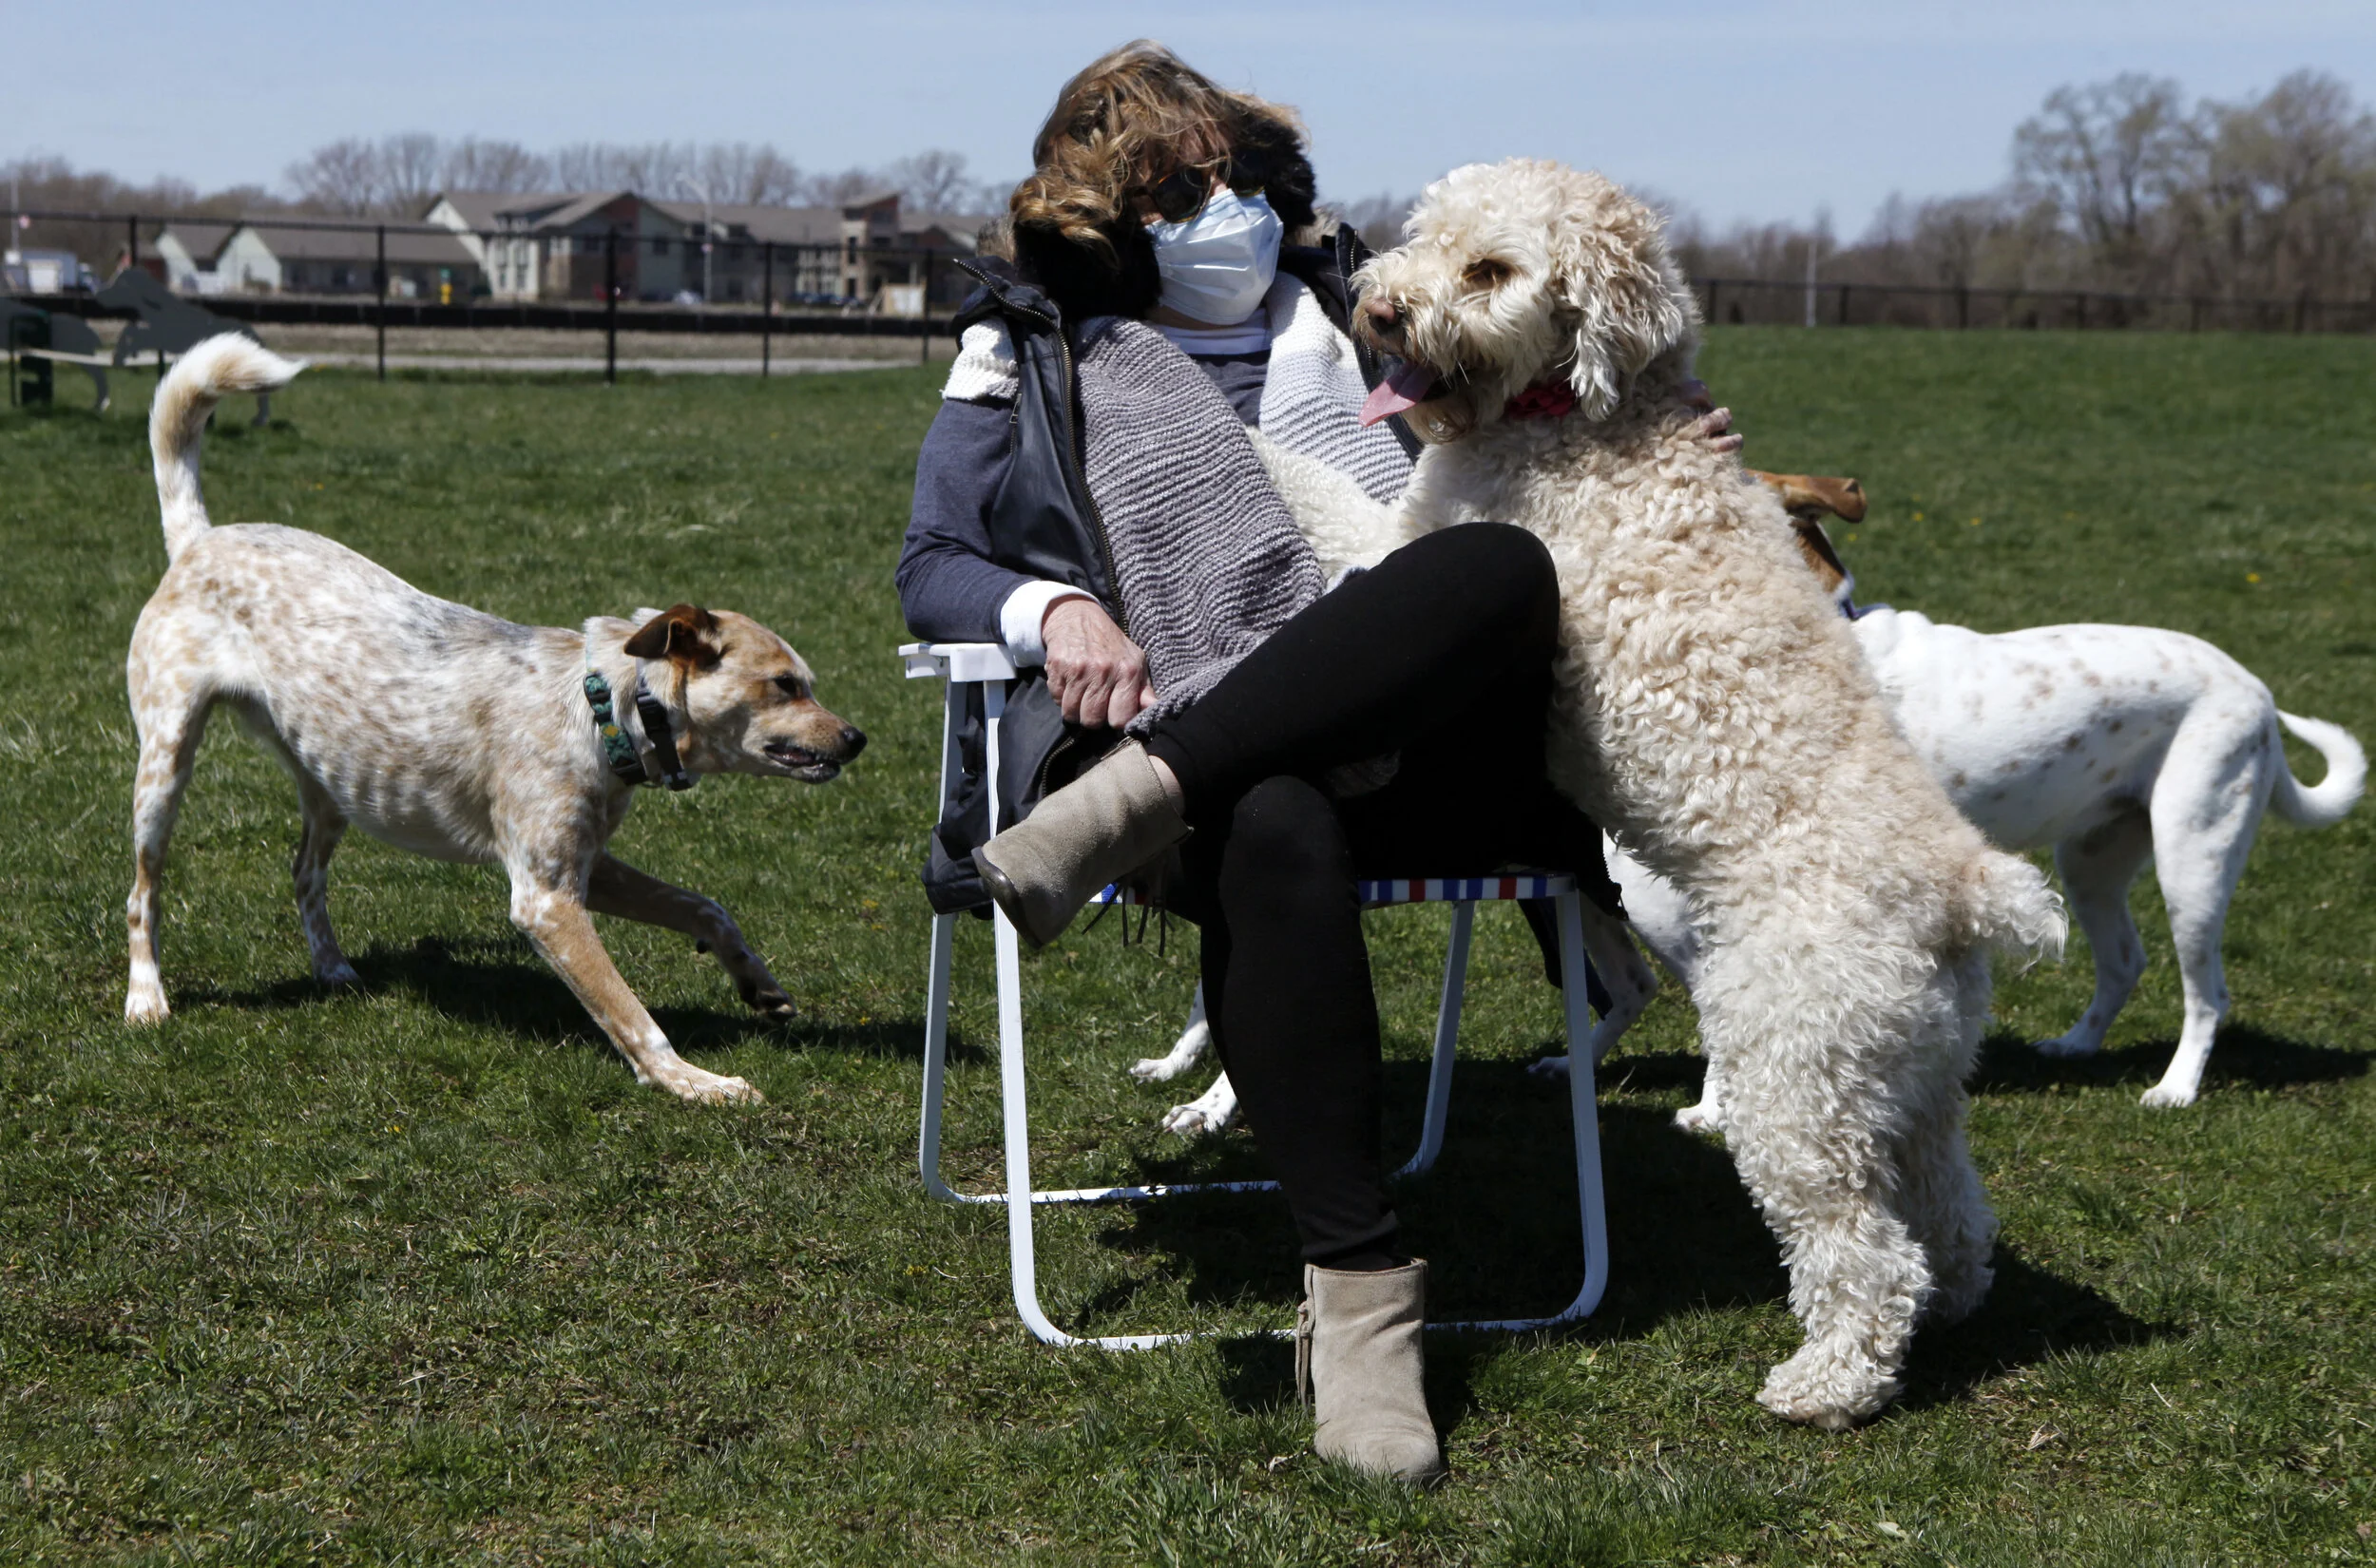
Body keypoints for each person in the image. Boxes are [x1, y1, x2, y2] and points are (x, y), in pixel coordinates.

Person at [897, 41, 1737, 1484]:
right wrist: (1056, 607)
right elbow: (933, 566)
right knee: (1269, 810)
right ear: (1107, 212)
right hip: (1200, 743)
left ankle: (1138, 798)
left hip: (1416, 744)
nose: (1216, 207)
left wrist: (1671, 438)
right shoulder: (1032, 352)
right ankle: (1361, 1305)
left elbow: (1572, 408)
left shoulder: (1375, 315)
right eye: (1170, 190)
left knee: (1488, 567)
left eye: (1227, 175)